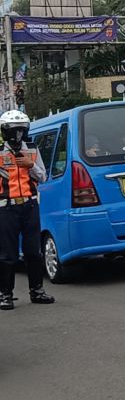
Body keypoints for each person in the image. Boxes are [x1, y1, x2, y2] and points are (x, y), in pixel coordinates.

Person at [0, 110, 54, 310]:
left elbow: (43, 177)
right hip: (6, 207)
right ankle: (5, 294)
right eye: (14, 131)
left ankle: (37, 291)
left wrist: (30, 165)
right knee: (7, 254)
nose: (18, 135)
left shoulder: (32, 149)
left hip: (30, 205)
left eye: (22, 130)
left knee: (33, 251)